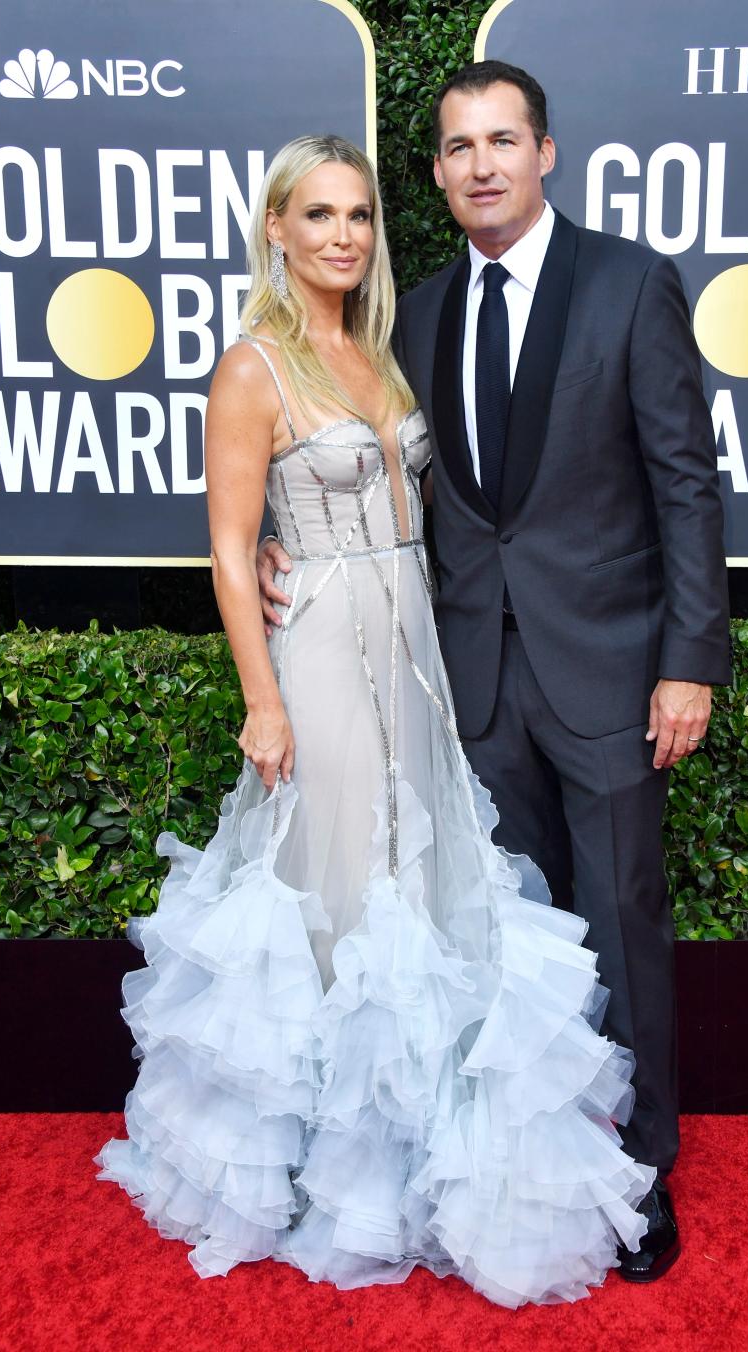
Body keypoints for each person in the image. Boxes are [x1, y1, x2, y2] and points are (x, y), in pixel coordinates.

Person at [95, 132, 655, 1307]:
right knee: (345, 878)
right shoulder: (255, 366)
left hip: (420, 645)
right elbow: (229, 546)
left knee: (431, 868)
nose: (344, 234)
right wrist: (261, 695)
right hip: (324, 653)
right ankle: (327, 1168)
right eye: (319, 215)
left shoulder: (385, 357)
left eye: (358, 215)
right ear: (277, 231)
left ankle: (420, 1147)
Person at [257, 63, 732, 1282]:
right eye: (458, 147)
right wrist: (279, 544)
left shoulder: (629, 283)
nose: (481, 165)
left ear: (546, 153)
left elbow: (687, 484)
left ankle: (639, 1176)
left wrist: (689, 661)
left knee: (619, 921)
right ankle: (526, 1158)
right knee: (502, 933)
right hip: (462, 677)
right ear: (435, 172)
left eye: (502, 140)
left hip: (613, 670)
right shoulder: (412, 314)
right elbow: (374, 474)